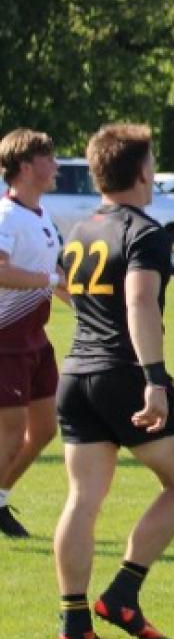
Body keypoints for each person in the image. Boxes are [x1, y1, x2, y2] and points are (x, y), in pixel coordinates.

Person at [51, 124, 174, 639]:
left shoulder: (79, 228)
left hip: (76, 375)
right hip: (122, 375)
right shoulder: (144, 230)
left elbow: (65, 288)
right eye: (153, 162)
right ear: (141, 171)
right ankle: (122, 594)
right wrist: (152, 378)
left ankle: (74, 625)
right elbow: (138, 303)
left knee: (82, 500)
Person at [0, 129, 65, 539]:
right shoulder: (6, 216)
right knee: (10, 429)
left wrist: (92, 312)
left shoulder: (42, 217)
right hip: (6, 339)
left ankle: (0, 497)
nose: (56, 165)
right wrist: (46, 279)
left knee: (44, 429)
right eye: (49, 158)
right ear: (26, 166)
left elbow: (56, 280)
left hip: (35, 340)